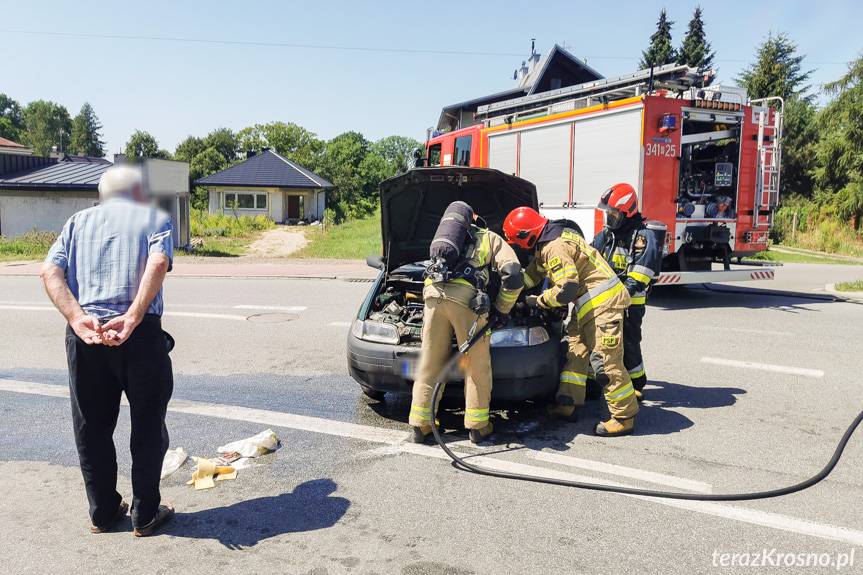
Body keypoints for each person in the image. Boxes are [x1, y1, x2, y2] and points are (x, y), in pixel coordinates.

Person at [40, 164, 176, 537]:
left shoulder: (77, 222)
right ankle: (145, 515)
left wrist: (76, 316)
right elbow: (159, 261)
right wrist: (132, 317)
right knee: (148, 426)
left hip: (87, 337)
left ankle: (102, 512)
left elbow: (49, 272)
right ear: (138, 193)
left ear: (102, 195)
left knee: (92, 428)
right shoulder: (154, 217)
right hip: (140, 335)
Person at [503, 207, 639, 437]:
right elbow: (534, 272)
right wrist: (516, 286)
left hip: (602, 303)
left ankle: (624, 417)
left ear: (527, 235)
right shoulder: (553, 237)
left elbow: (567, 288)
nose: (519, 246)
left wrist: (538, 301)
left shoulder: (554, 247)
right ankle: (567, 403)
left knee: (605, 361)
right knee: (575, 352)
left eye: (518, 241)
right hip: (588, 304)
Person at [409, 201, 524, 444]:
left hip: (432, 294)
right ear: (476, 221)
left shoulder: (442, 240)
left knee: (430, 361)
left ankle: (421, 424)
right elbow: (514, 275)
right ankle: (478, 426)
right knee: (475, 365)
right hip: (467, 301)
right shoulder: (489, 237)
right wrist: (501, 310)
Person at [591, 183, 662, 401]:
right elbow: (591, 255)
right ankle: (600, 382)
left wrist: (621, 293)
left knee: (629, 342)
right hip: (606, 299)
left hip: (631, 302)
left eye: (614, 213)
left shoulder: (642, 237)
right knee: (601, 340)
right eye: (608, 213)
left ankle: (637, 383)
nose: (609, 217)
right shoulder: (608, 234)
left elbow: (642, 273)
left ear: (627, 212)